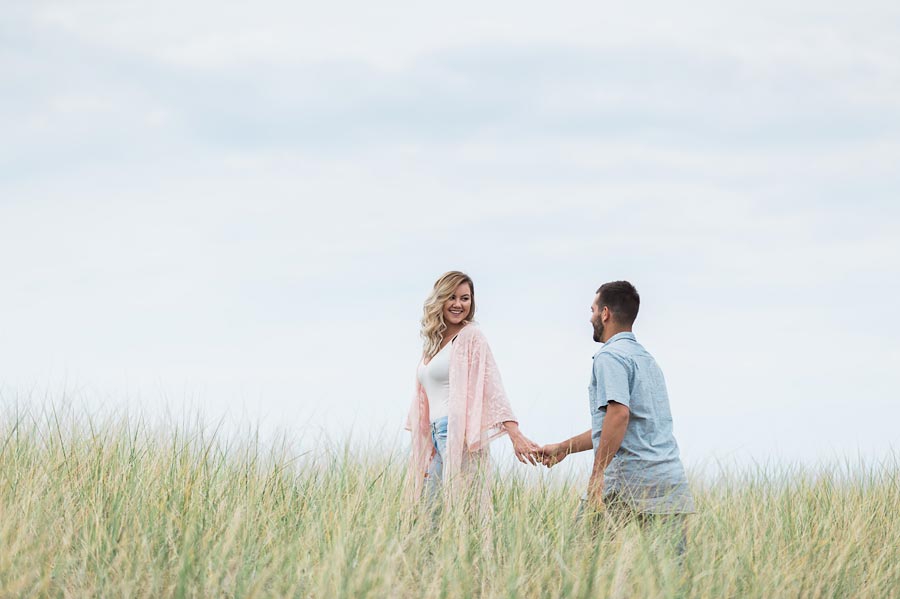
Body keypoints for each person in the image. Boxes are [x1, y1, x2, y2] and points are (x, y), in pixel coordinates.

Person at [538, 281, 694, 549]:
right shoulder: (647, 359)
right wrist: (564, 447)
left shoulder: (609, 357)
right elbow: (616, 425)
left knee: (580, 558)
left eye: (593, 310)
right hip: (668, 480)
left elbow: (618, 416)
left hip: (626, 481)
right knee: (671, 575)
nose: (590, 317)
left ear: (605, 313)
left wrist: (597, 475)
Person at [406, 271, 540, 511]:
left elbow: (491, 385)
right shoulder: (433, 342)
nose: (458, 304)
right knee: (429, 512)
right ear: (440, 299)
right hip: (435, 437)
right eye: (452, 297)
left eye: (465, 298)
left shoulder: (471, 337)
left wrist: (515, 434)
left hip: (457, 434)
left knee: (460, 510)